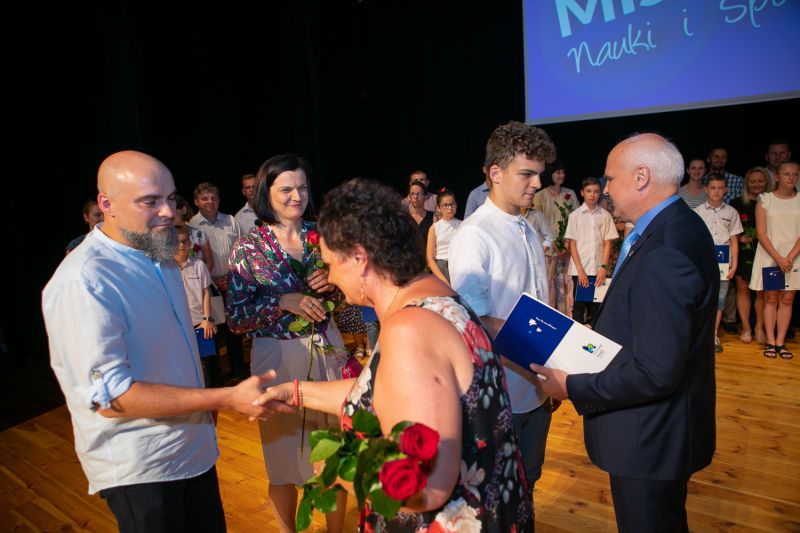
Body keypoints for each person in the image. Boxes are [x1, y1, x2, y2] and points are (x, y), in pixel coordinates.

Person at [255, 178, 534, 532]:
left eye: (331, 264)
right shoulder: (432, 295)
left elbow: (428, 488)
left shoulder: (409, 330)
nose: (330, 277)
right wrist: (293, 392)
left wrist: (345, 468)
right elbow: (389, 391)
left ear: (360, 258)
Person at [41, 150, 290, 533]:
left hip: (192, 452)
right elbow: (112, 398)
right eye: (149, 201)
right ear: (106, 204)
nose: (168, 212)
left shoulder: (160, 258)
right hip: (144, 469)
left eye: (170, 199)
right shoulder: (85, 282)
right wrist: (224, 397)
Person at [533, 133, 717, 532]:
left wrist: (572, 386)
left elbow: (655, 372)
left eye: (611, 179)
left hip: (649, 438)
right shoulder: (677, 226)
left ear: (641, 177)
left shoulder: (665, 249)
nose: (605, 189)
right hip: (659, 432)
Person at [225, 154, 347, 533]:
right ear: (267, 193)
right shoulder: (248, 248)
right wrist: (281, 301)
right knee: (282, 462)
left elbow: (347, 297)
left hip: (327, 350)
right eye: (287, 189)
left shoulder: (323, 235)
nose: (297, 196)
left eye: (303, 187)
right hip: (276, 358)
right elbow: (236, 318)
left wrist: (334, 285)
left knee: (333, 455)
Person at [449, 120, 557, 518]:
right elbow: (475, 322)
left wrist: (555, 359)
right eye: (527, 174)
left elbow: (537, 305)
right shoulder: (474, 235)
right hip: (500, 394)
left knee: (530, 479)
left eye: (539, 175)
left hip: (536, 388)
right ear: (495, 173)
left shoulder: (527, 228)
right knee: (498, 494)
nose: (536, 184)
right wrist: (542, 359)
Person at [191, 182, 249, 380]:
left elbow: (242, 249)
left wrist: (233, 277)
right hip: (208, 287)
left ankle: (239, 370)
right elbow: (193, 260)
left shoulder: (230, 220)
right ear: (196, 201)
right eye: (204, 198)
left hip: (233, 283)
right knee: (213, 332)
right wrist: (213, 280)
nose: (210, 202)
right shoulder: (193, 226)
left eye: (213, 197)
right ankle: (216, 375)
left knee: (235, 330)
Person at [749, 161, 800, 359]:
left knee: (787, 298)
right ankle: (770, 341)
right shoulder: (765, 199)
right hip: (770, 256)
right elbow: (761, 233)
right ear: (777, 177)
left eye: (795, 174)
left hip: (794, 258)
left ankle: (780, 343)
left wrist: (790, 257)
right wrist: (779, 258)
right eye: (787, 174)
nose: (791, 177)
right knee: (770, 298)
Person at [693, 174, 743, 353]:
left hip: (723, 265)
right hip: (702, 263)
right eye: (713, 188)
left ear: (726, 190)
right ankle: (698, 336)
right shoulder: (697, 212)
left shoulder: (731, 212)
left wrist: (734, 263)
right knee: (700, 299)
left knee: (719, 300)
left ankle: (713, 335)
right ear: (706, 189)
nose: (717, 191)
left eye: (721, 188)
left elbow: (734, 240)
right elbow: (693, 239)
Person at [565, 176, 618, 325]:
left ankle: (595, 335)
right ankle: (576, 336)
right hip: (580, 269)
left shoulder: (605, 216)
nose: (592, 195)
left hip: (598, 269)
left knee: (597, 307)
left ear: (600, 193)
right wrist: (580, 271)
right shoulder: (575, 216)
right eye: (588, 191)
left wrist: (603, 267)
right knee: (578, 307)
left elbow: (608, 243)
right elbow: (572, 244)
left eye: (596, 191)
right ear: (582, 192)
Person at [174, 224, 219, 388]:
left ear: (190, 243)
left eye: (185, 241)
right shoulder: (165, 267)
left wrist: (207, 319)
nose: (182, 245)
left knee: (204, 365)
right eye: (177, 242)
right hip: (177, 325)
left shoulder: (198, 265)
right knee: (182, 364)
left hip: (199, 323)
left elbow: (206, 292)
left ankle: (207, 395)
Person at [729, 167, 770, 344]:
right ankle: (746, 328)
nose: (756, 184)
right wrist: (739, 238)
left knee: (762, 291)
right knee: (743, 289)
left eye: (760, 181)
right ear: (746, 183)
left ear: (767, 182)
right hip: (744, 252)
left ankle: (759, 328)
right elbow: (729, 229)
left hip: (766, 252)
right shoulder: (737, 203)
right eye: (752, 181)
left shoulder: (771, 201)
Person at [533, 160, 578, 316]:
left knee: (566, 287)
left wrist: (567, 243)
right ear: (550, 174)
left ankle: (568, 319)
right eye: (558, 172)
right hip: (547, 251)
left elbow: (576, 220)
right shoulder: (540, 196)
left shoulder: (570, 194)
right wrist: (552, 243)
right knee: (549, 287)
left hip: (566, 249)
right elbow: (536, 224)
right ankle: (548, 319)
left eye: (563, 172)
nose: (561, 175)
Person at [426, 188, 461, 284]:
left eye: (452, 204)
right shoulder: (435, 228)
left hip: (458, 265)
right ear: (438, 208)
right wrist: (443, 279)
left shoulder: (462, 225)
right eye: (446, 205)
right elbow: (429, 257)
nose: (450, 208)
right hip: (441, 267)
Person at [174, 193, 214, 273]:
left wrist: (198, 279)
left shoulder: (200, 235)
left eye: (172, 209)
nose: (169, 214)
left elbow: (209, 264)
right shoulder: (162, 236)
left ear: (184, 210)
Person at [406, 179, 435, 250]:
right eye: (412, 194)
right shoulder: (403, 217)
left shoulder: (432, 217)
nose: (415, 197)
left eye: (419, 194)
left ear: (425, 197)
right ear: (409, 197)